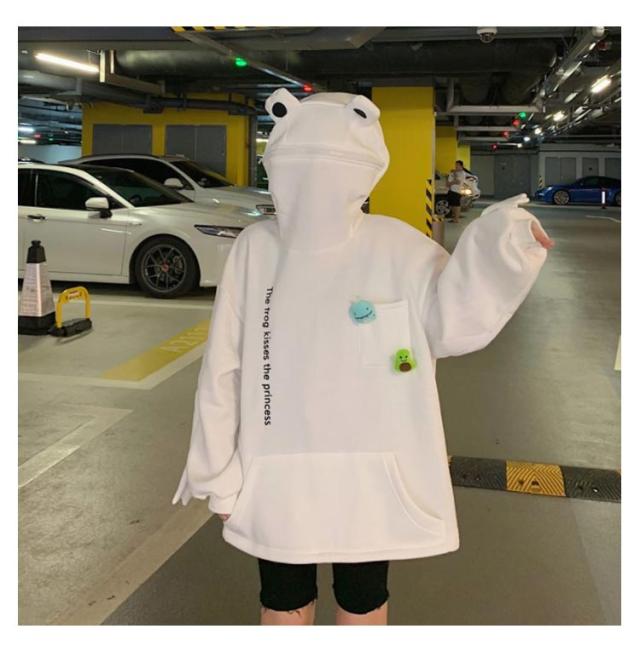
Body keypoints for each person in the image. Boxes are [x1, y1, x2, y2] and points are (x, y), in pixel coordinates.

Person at [171, 88, 555, 626]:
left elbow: (452, 323)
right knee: (308, 600)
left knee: (329, 599)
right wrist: (216, 474)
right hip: (285, 471)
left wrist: (503, 246)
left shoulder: (396, 248)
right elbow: (225, 367)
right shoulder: (257, 250)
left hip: (362, 474)